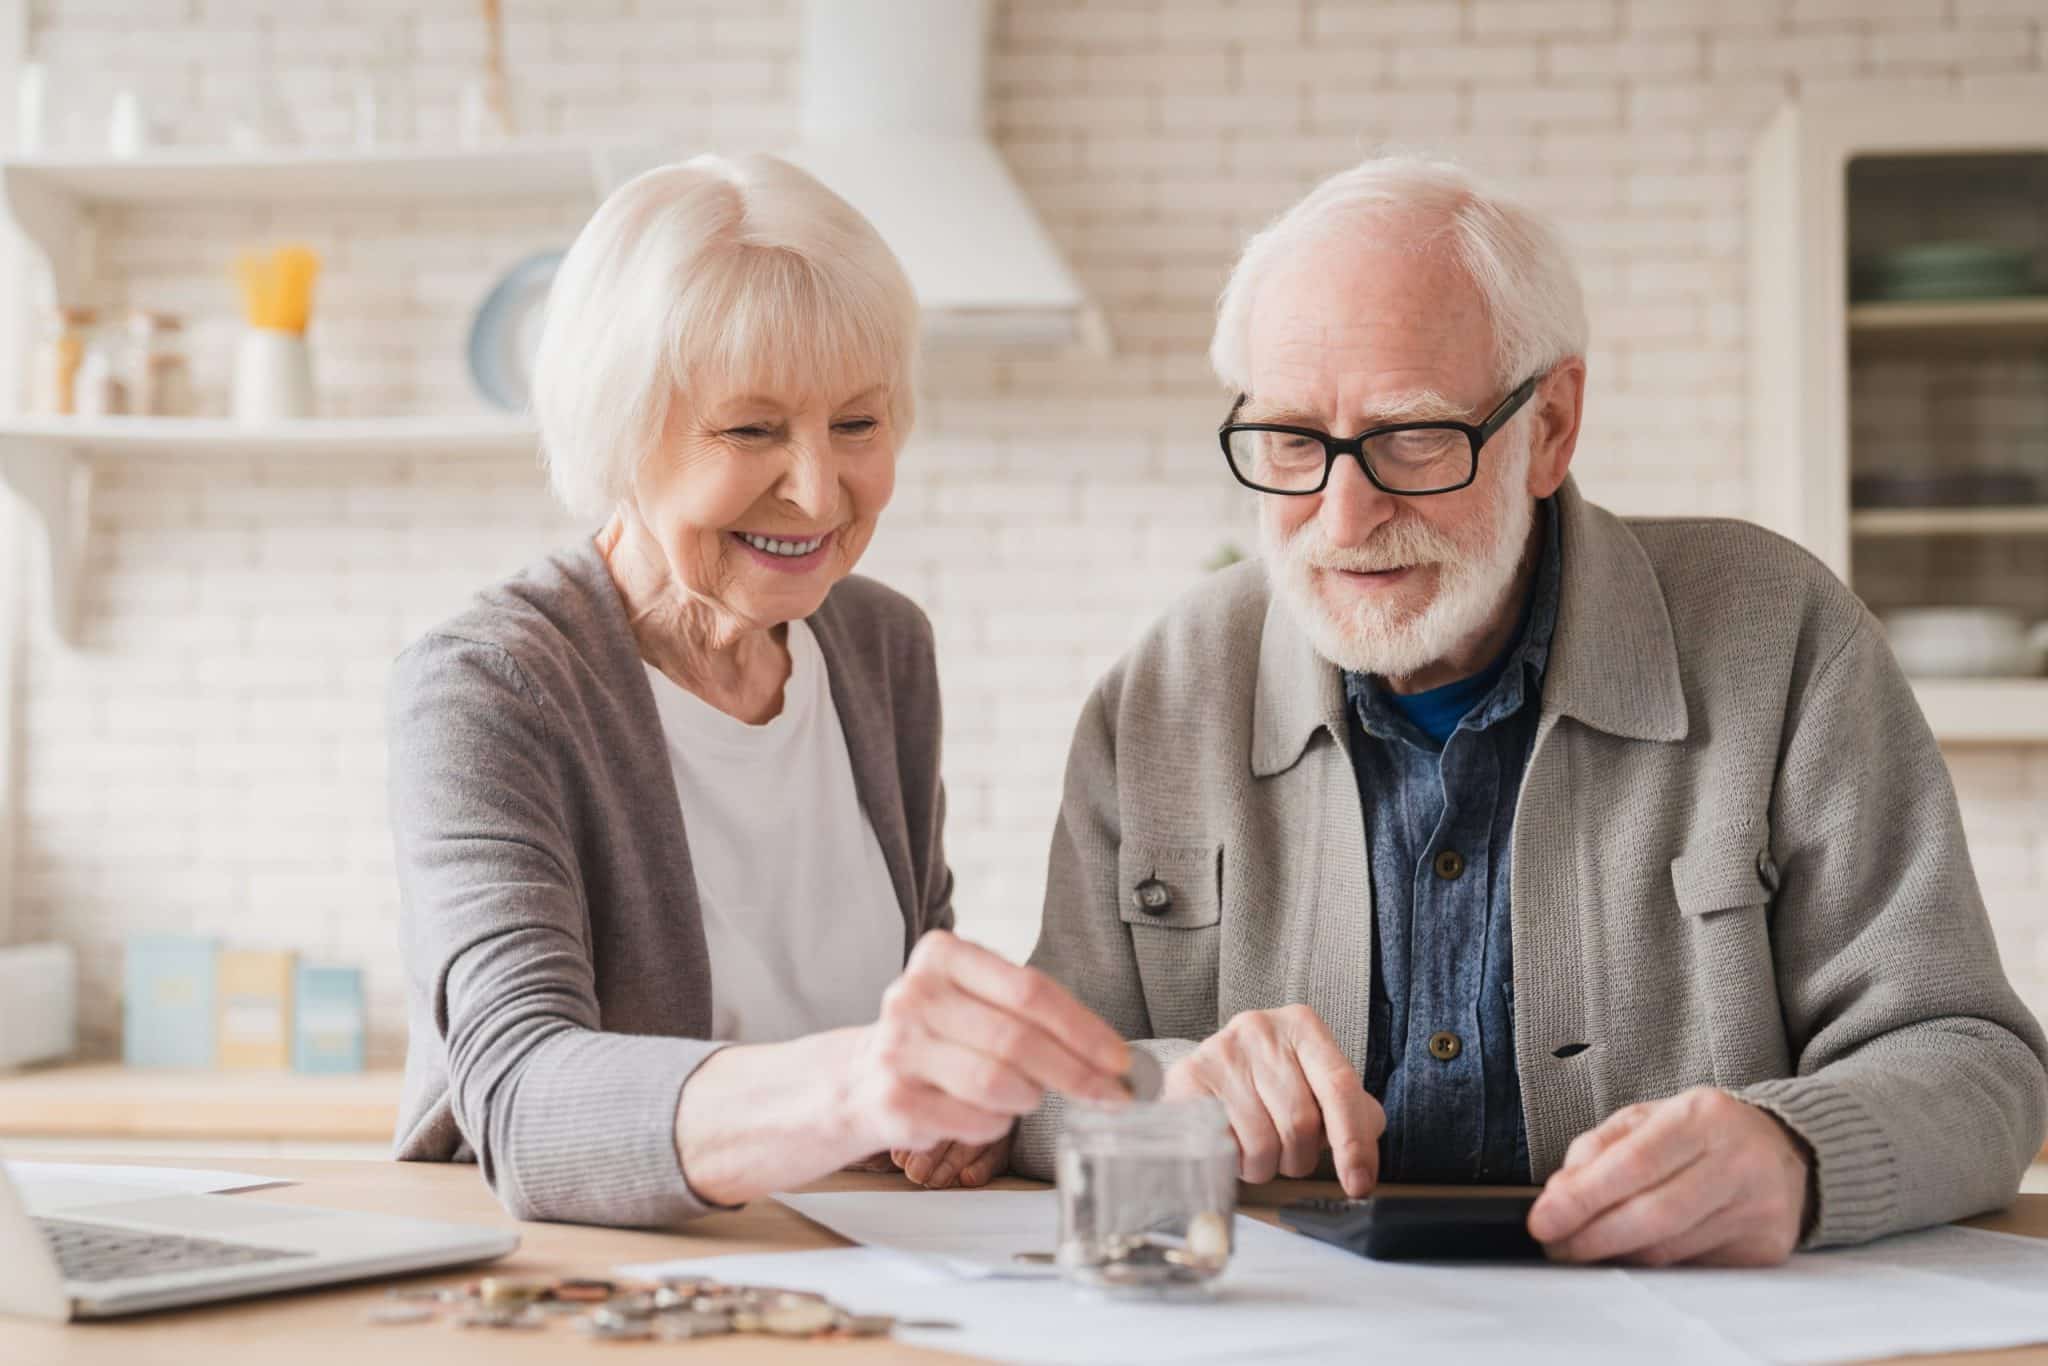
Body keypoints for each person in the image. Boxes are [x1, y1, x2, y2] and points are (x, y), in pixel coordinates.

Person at [988, 154, 2045, 1265]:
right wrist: (1163, 1089)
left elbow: (1973, 1062)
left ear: (1549, 427)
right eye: (1294, 440)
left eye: (1411, 436)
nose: (1343, 518)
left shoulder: (1776, 634)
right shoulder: (1162, 687)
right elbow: (1025, 1092)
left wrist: (1795, 1150)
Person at [387, 154, 1132, 1226]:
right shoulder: (490, 685)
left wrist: (956, 1111)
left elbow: (913, 1005)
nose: (818, 490)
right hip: (598, 1293)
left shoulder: (880, 648)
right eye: (751, 429)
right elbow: (521, 1097)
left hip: (866, 1274)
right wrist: (855, 1088)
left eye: (858, 425)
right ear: (617, 427)